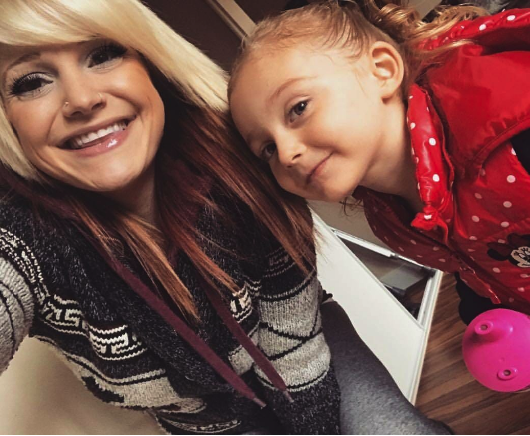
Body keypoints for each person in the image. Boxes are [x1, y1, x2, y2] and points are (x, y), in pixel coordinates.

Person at [0, 0, 452, 434]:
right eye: (30, 83)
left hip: (309, 346)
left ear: (149, 64)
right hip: (207, 421)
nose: (82, 99)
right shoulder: (20, 238)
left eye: (102, 55)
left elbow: (296, 345)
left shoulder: (237, 153)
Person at [228, 0, 530, 326]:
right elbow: (473, 264)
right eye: (268, 149)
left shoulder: (513, 140)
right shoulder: (389, 220)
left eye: (298, 108)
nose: (286, 154)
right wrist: (484, 313)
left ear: (382, 71)